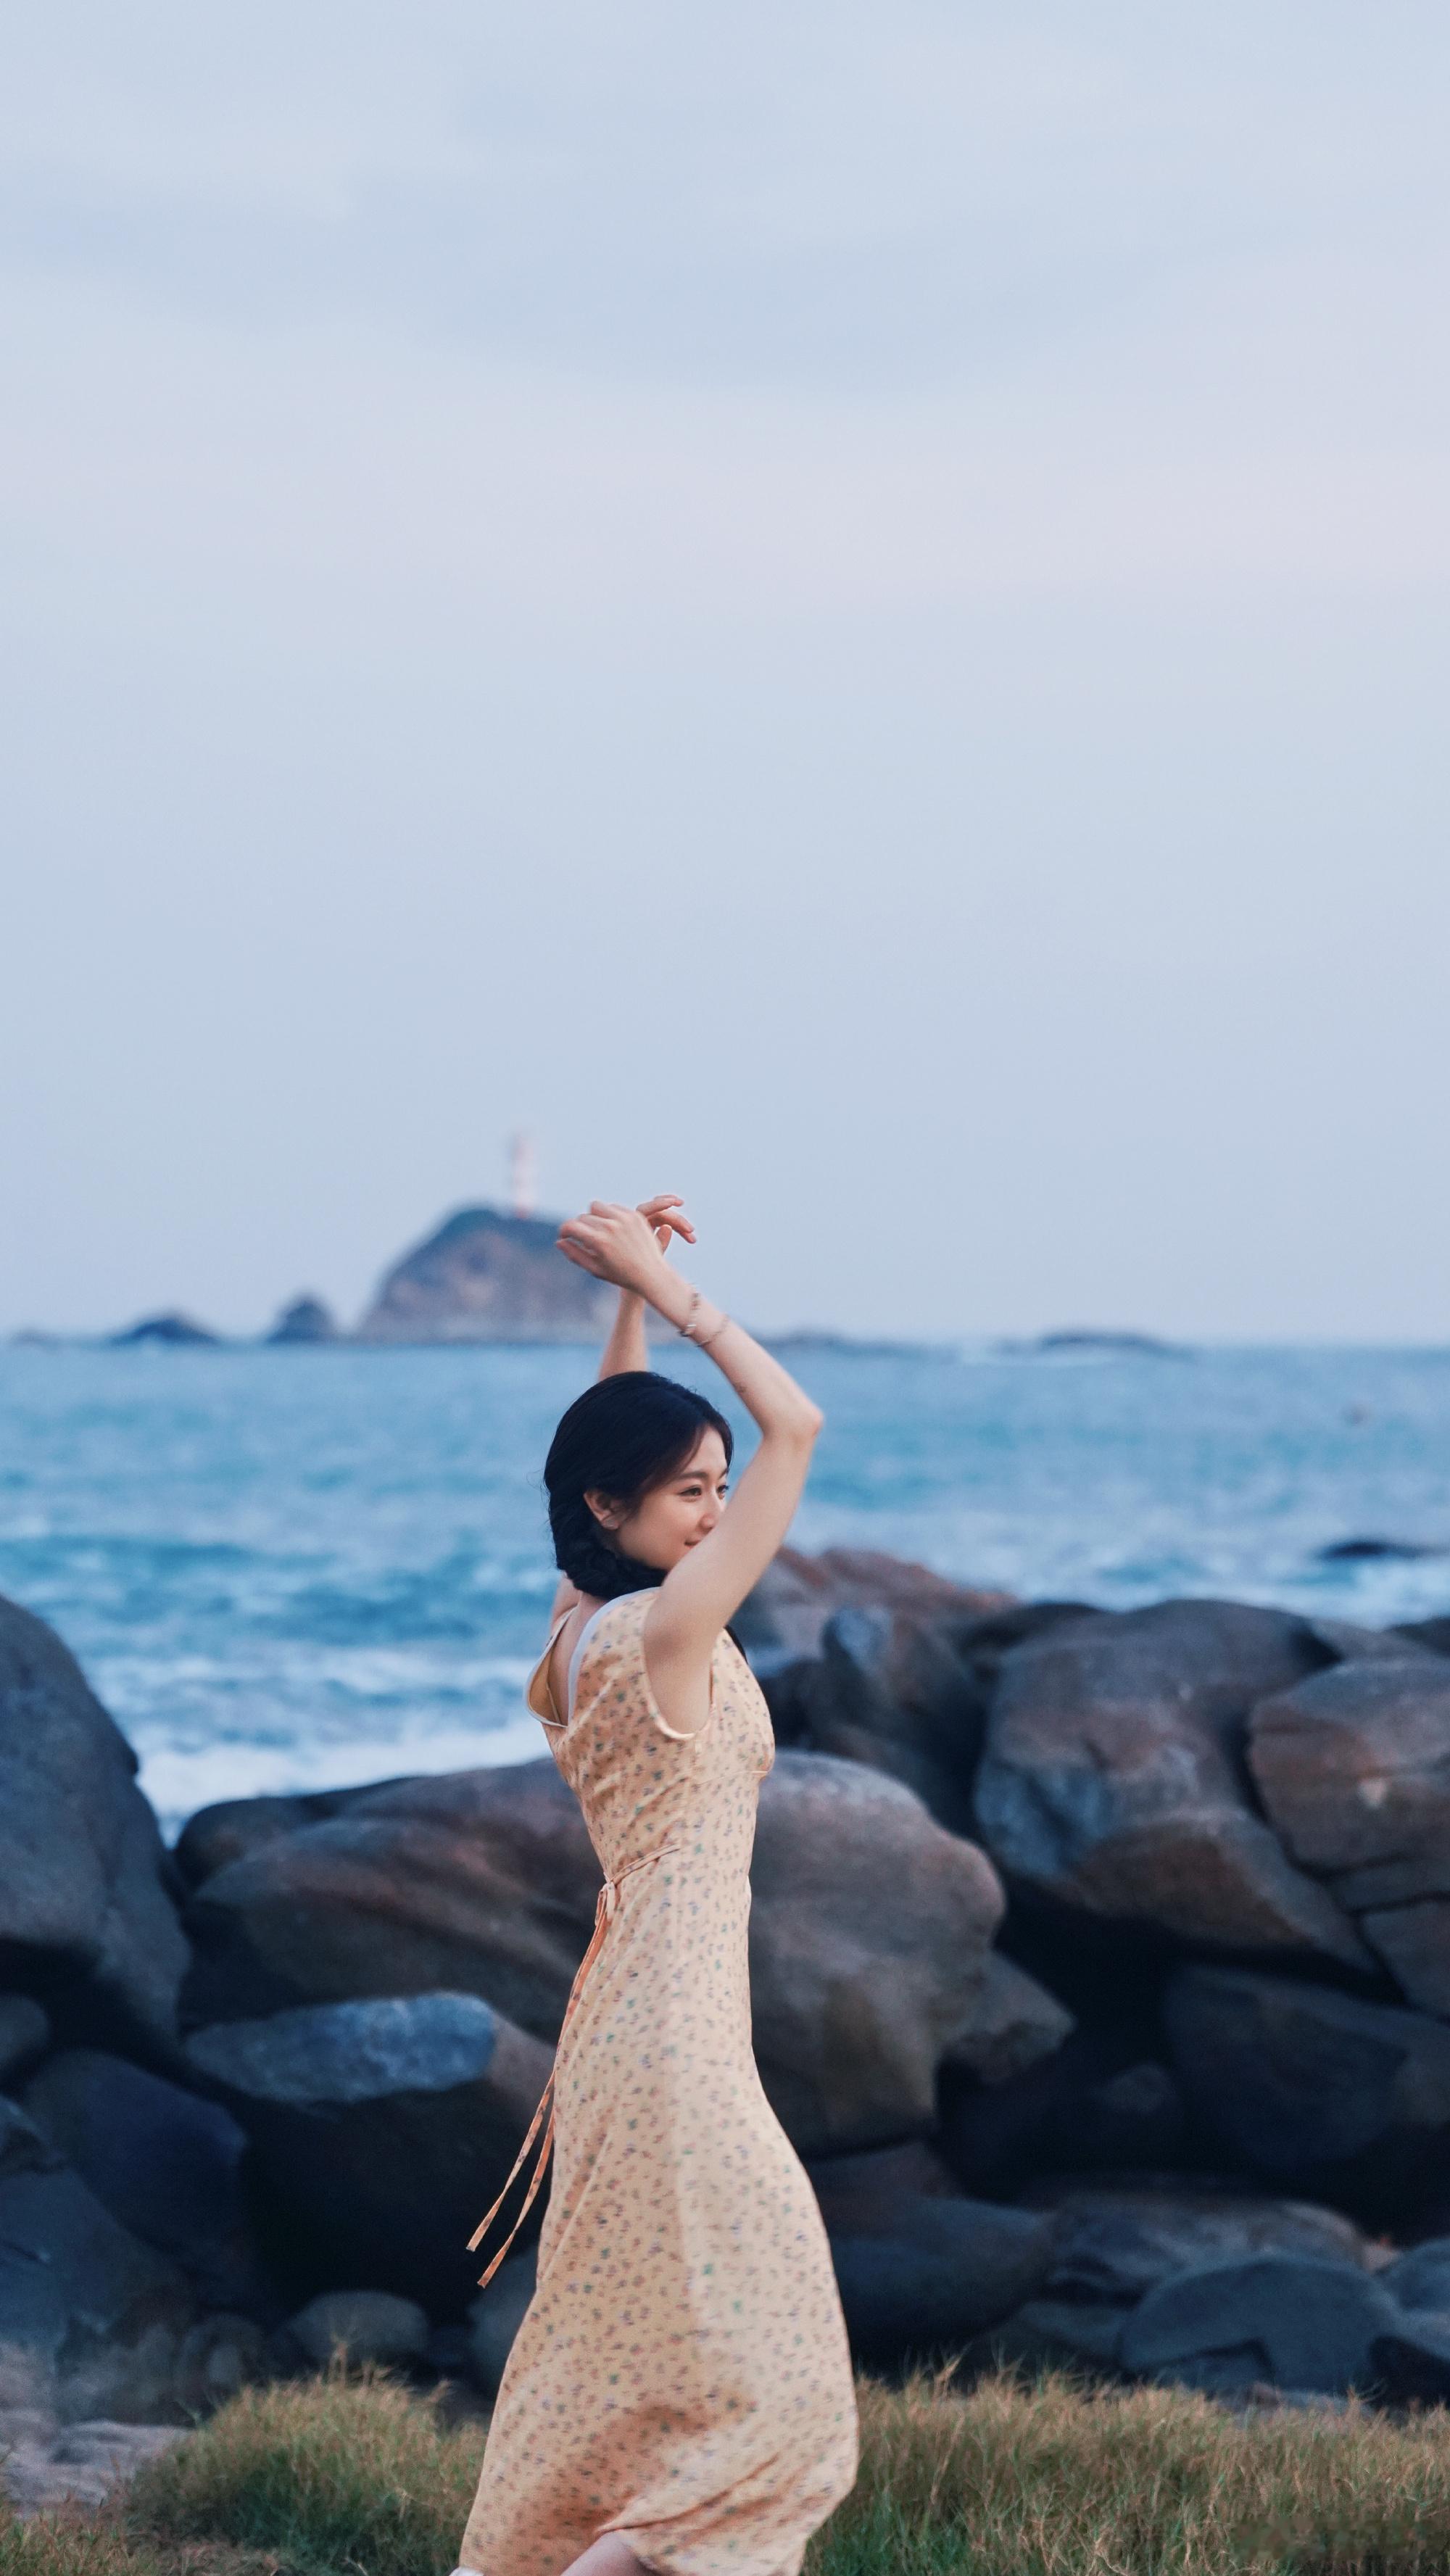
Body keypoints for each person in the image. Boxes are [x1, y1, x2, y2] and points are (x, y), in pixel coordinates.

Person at [453, 1194, 858, 2576]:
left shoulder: (575, 1633)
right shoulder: (673, 1630)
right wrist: (678, 1300)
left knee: (641, 2374)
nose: (719, 1510)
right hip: (675, 2037)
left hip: (625, 2033)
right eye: (694, 1489)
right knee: (782, 2395)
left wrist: (628, 1298)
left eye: (717, 1487)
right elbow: (798, 1426)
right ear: (615, 1511)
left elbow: (598, 1452)